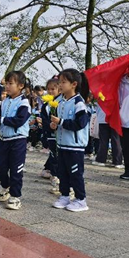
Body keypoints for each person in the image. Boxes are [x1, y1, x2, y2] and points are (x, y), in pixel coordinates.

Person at [50, 68, 90, 212]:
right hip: (62, 145)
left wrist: (61, 122)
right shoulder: (60, 101)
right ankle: (65, 195)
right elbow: (59, 122)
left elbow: (80, 124)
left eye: (63, 82)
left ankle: (81, 199)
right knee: (63, 173)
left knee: (75, 174)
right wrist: (54, 125)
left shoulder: (78, 103)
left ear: (73, 84)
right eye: (59, 82)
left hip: (75, 147)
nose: (60, 85)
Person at [0, 71, 31, 210]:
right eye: (6, 83)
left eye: (10, 83)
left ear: (20, 85)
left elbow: (19, 121)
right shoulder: (4, 101)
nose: (7, 86)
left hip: (18, 140)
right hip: (3, 139)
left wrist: (0, 119)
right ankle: (6, 186)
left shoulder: (24, 102)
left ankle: (15, 196)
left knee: (16, 169)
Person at [41, 77, 62, 193]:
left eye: (53, 89)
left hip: (61, 134)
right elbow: (44, 119)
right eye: (48, 89)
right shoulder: (45, 105)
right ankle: (54, 175)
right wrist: (49, 125)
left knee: (60, 156)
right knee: (53, 154)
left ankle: (60, 176)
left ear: (59, 89)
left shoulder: (62, 102)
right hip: (50, 134)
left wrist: (57, 124)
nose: (50, 92)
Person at [93, 103, 123, 168]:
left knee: (103, 140)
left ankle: (101, 160)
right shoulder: (117, 92)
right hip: (115, 117)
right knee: (116, 140)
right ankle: (117, 161)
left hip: (103, 117)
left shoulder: (100, 93)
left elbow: (95, 103)